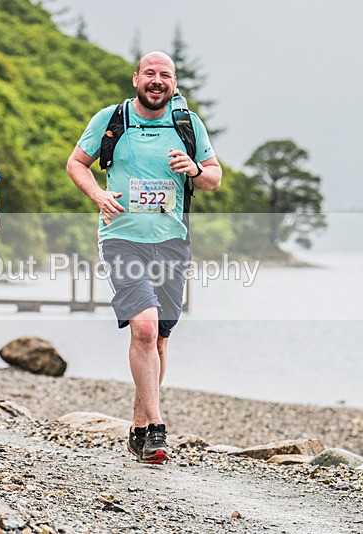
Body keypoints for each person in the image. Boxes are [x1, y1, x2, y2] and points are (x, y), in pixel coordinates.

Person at [66, 51, 222, 463]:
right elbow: (76, 163)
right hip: (122, 239)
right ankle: (157, 428)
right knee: (145, 328)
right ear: (136, 78)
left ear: (173, 83)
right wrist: (98, 194)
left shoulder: (187, 124)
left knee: (160, 339)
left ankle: (138, 428)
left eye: (164, 75)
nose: (157, 81)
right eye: (149, 73)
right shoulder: (111, 119)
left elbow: (213, 178)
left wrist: (192, 168)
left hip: (172, 241)